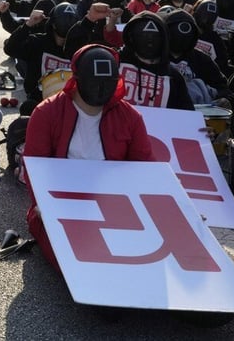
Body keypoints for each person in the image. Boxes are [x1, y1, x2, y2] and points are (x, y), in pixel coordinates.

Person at [23, 44, 155, 271]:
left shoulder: (130, 118)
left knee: (142, 259)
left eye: (109, 82)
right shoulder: (47, 113)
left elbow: (146, 169)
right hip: (63, 202)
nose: (102, 89)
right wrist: (43, 204)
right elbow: (35, 167)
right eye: (95, 82)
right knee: (75, 260)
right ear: (78, 79)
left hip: (116, 204)